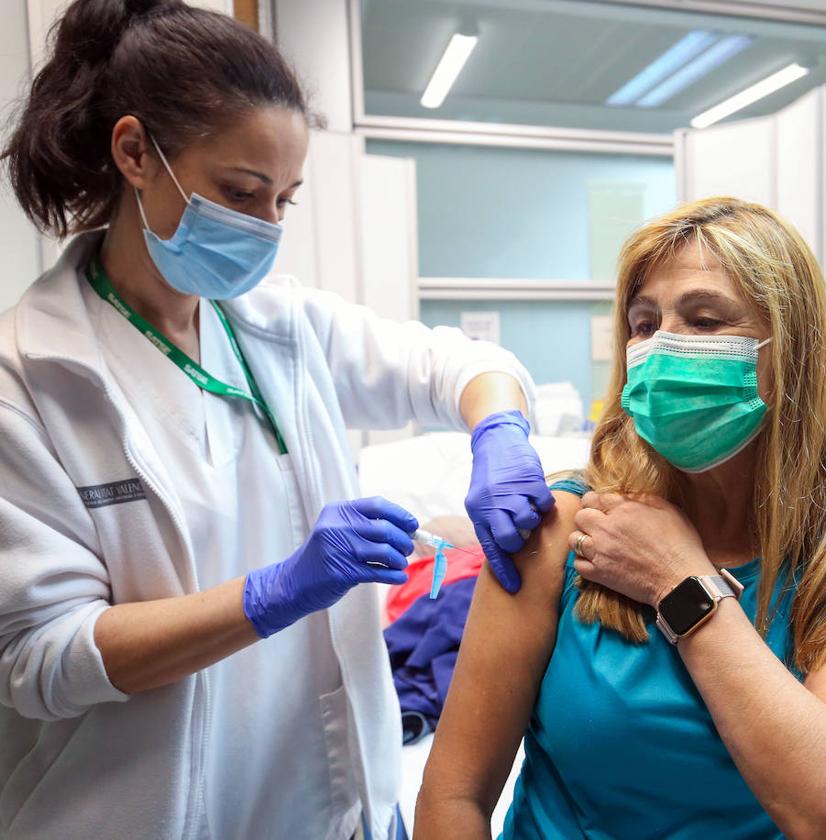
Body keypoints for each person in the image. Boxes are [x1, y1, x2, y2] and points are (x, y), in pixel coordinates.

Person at [0, 2, 554, 837]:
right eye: (240, 193)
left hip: (330, 798)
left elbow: (461, 366)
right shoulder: (32, 377)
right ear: (135, 153)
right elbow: (41, 660)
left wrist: (500, 435)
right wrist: (272, 594)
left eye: (284, 201)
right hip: (136, 809)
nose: (266, 230)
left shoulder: (274, 324)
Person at [414, 197, 826, 839]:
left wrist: (682, 583)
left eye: (705, 321)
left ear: (791, 351)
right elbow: (453, 795)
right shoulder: (567, 526)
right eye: (644, 323)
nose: (661, 348)